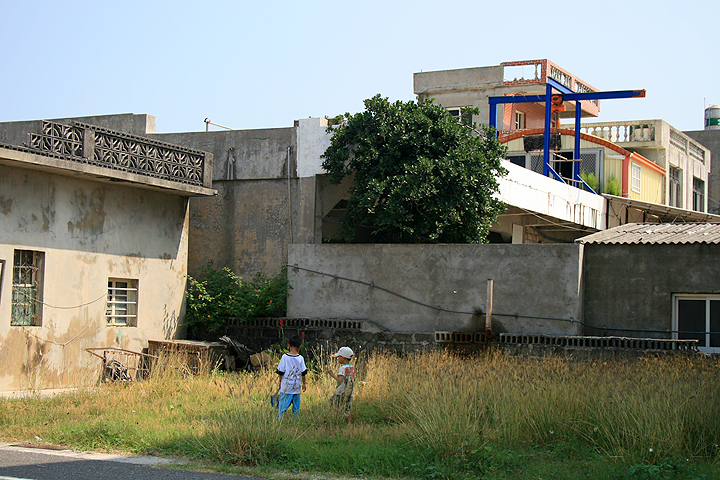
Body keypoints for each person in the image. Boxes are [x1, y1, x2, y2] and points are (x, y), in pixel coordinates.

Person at [275, 335, 307, 419]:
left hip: (286, 385)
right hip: (296, 385)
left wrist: (280, 382)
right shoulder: (300, 358)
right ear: (300, 346)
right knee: (296, 403)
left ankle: (280, 417)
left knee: (283, 402)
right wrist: (304, 384)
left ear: (288, 345)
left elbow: (280, 372)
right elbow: (303, 373)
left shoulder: (285, 357)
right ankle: (295, 417)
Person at [327, 346, 355, 421]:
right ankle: (348, 424)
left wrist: (332, 375)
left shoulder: (342, 368)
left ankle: (342, 415)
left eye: (338, 357)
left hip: (341, 391)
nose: (337, 358)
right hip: (350, 391)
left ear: (343, 358)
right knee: (347, 408)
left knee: (331, 402)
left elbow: (340, 380)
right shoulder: (352, 368)